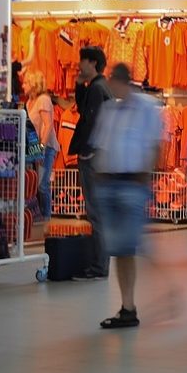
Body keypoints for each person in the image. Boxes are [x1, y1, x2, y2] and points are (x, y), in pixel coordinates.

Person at [93, 64, 162, 330]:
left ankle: (167, 290)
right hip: (110, 183)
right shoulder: (110, 109)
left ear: (120, 81)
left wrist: (146, 176)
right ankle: (128, 307)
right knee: (121, 249)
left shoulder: (146, 107)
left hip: (132, 183)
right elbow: (102, 144)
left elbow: (156, 144)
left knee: (132, 245)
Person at [71, 46, 112, 280]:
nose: (79, 64)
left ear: (93, 63)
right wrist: (78, 83)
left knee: (95, 212)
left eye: (82, 61)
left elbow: (90, 121)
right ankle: (99, 265)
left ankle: (98, 267)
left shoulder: (97, 89)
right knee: (98, 212)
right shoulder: (98, 87)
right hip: (100, 156)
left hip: (93, 157)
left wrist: (87, 151)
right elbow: (84, 109)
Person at [22, 69, 58, 220]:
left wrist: (41, 149)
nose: (23, 85)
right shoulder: (29, 102)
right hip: (34, 146)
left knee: (42, 185)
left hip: (46, 146)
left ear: (33, 84)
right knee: (34, 184)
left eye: (26, 82)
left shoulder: (43, 99)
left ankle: (47, 217)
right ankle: (38, 217)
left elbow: (48, 125)